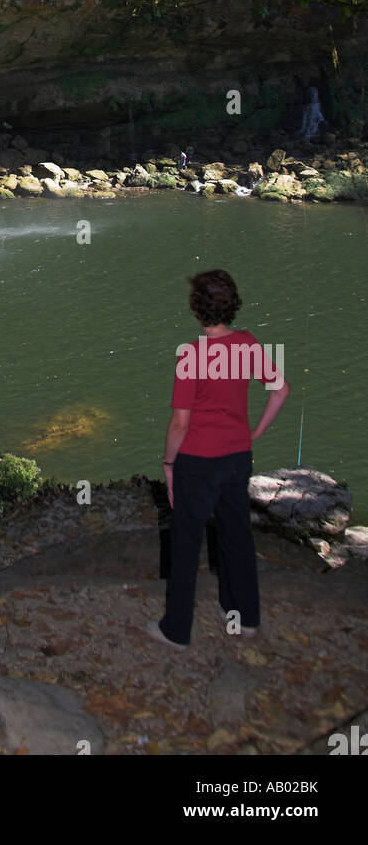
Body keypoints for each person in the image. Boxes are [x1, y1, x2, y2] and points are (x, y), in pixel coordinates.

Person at [146, 268, 290, 649]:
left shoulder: (192, 356)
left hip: (197, 460)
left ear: (197, 309)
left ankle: (177, 630)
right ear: (232, 306)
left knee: (186, 543)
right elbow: (280, 391)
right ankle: (244, 617)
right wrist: (254, 433)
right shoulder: (247, 344)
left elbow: (180, 423)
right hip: (237, 457)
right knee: (237, 535)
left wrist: (168, 465)